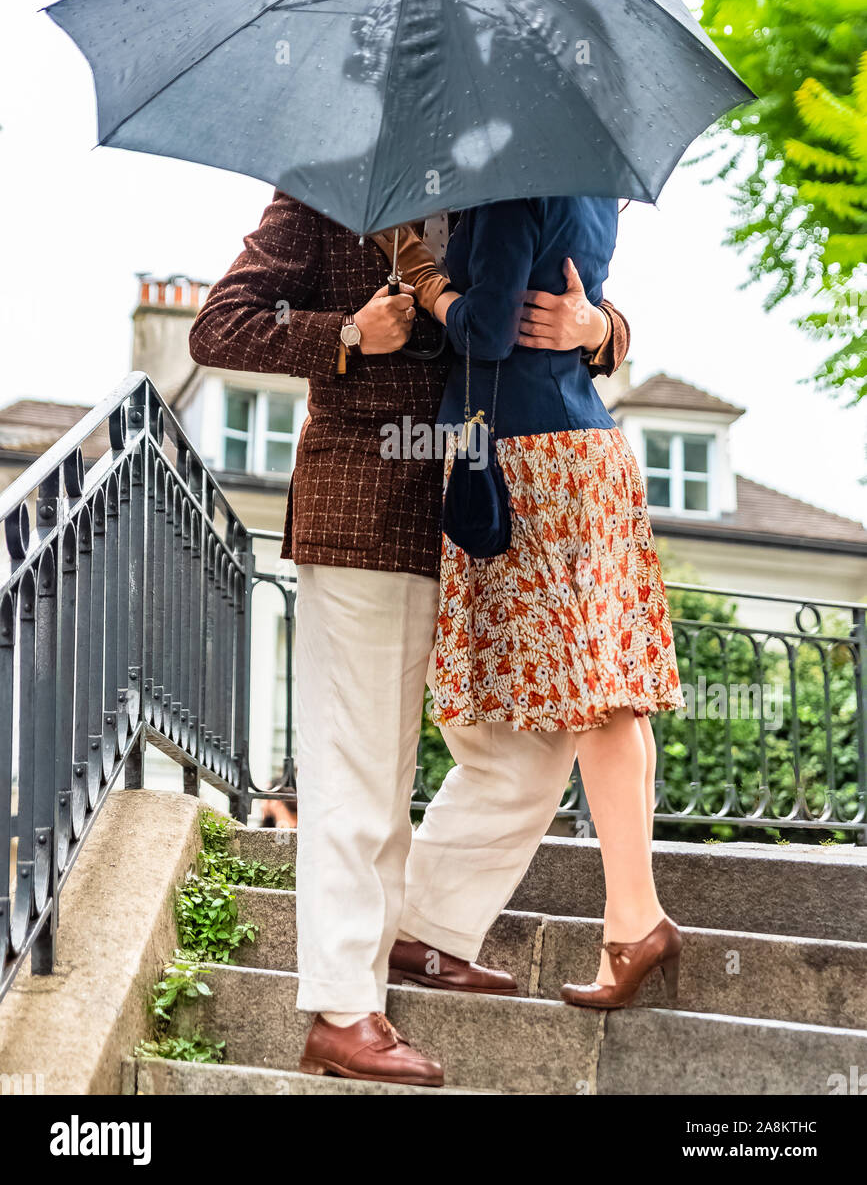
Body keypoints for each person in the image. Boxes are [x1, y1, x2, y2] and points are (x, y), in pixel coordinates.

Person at [189, 192, 630, 1086]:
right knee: (360, 770)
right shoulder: (325, 186)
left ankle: (425, 931)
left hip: (496, 511)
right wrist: (347, 336)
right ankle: (343, 1009)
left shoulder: (513, 173)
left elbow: (566, 298)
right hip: (363, 508)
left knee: (533, 743)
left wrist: (602, 328)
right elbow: (220, 328)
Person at [424, 196, 684, 1010]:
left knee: (596, 702)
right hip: (584, 449)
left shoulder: (513, 189)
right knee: (612, 698)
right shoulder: (590, 188)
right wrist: (598, 327)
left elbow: (486, 331)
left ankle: (635, 921)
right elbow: (575, 301)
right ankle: (629, 921)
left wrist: (431, 290)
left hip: (529, 457)